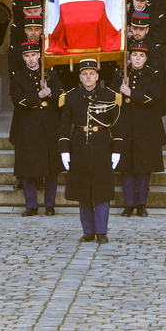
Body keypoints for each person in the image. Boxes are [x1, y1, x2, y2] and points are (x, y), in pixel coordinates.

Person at [59, 58, 123, 244]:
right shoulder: (71, 97)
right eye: (85, 74)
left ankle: (101, 232)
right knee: (83, 191)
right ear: (80, 77)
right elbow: (64, 126)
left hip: (102, 147)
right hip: (79, 147)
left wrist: (117, 150)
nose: (88, 77)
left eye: (91, 74)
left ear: (97, 75)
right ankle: (88, 231)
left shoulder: (109, 96)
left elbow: (117, 126)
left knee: (102, 191)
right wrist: (64, 149)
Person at [110, 45, 166, 217]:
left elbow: (153, 98)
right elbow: (111, 97)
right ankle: (129, 205)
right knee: (126, 168)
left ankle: (141, 204)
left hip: (146, 127)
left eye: (141, 55)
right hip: (125, 126)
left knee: (143, 168)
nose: (137, 58)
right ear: (130, 57)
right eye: (134, 55)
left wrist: (131, 93)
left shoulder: (152, 75)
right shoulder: (121, 74)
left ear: (146, 58)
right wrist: (120, 92)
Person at [10, 41, 64, 216]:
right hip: (27, 126)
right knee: (27, 168)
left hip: (49, 125)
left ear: (39, 55)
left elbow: (62, 95)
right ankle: (31, 205)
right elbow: (18, 102)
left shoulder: (50, 73)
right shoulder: (18, 76)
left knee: (51, 168)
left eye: (33, 55)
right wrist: (37, 96)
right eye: (27, 56)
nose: (31, 59)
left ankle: (50, 205)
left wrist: (51, 92)